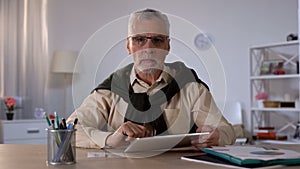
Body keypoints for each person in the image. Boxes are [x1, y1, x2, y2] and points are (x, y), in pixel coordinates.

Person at [67, 8, 236, 150]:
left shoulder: (189, 85)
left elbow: (226, 130)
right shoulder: (111, 89)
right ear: (128, 46)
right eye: (139, 39)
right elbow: (69, 130)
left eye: (157, 40)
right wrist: (110, 139)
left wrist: (216, 135)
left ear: (167, 46)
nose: (148, 48)